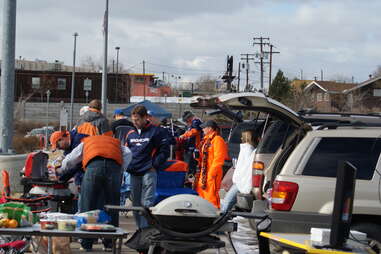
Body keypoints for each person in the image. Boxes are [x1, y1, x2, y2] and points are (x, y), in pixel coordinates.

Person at [59, 135, 132, 251]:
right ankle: (109, 243)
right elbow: (128, 153)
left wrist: (62, 169)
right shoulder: (116, 142)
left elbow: (70, 159)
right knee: (112, 205)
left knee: (87, 205)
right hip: (114, 169)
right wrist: (121, 169)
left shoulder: (86, 142)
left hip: (94, 167)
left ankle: (87, 243)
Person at [125, 105, 170, 229]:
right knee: (136, 205)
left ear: (145, 117)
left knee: (147, 204)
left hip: (148, 171)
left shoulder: (157, 131)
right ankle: (141, 231)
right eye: (133, 120)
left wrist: (154, 165)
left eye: (138, 120)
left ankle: (146, 232)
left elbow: (165, 152)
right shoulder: (130, 133)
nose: (135, 123)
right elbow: (126, 152)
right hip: (134, 172)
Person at [221, 129, 259, 213]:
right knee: (227, 202)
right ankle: (222, 215)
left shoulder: (246, 150)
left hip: (240, 181)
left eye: (242, 137)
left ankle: (220, 217)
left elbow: (243, 167)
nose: (241, 138)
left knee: (227, 202)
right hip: (242, 181)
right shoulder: (249, 150)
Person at [194, 120, 228, 208]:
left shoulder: (217, 140)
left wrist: (212, 174)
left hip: (212, 173)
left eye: (204, 128)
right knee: (202, 192)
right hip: (204, 172)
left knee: (211, 195)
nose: (202, 130)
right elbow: (203, 157)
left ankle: (213, 212)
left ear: (210, 129)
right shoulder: (206, 140)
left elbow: (219, 159)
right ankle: (203, 211)